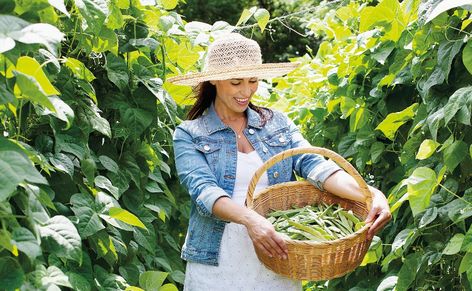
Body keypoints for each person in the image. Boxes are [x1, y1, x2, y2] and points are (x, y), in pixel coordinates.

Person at [169, 33, 391, 291]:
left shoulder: (276, 124)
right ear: (215, 80)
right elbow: (204, 191)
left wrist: (369, 194)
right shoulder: (190, 134)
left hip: (279, 250)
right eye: (236, 82)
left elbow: (316, 166)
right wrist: (252, 221)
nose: (246, 91)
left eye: (253, 81)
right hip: (218, 256)